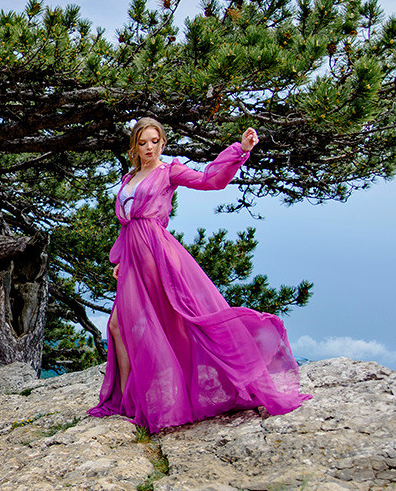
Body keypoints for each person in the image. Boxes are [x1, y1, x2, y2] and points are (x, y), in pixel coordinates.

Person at [89, 117, 310, 433]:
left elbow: (211, 180)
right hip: (135, 257)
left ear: (163, 143)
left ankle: (188, 393)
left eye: (155, 141)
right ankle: (127, 401)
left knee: (176, 323)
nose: (149, 148)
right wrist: (123, 259)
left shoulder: (169, 172)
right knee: (118, 326)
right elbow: (128, 224)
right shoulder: (129, 178)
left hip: (157, 255)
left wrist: (239, 150)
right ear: (134, 146)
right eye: (143, 142)